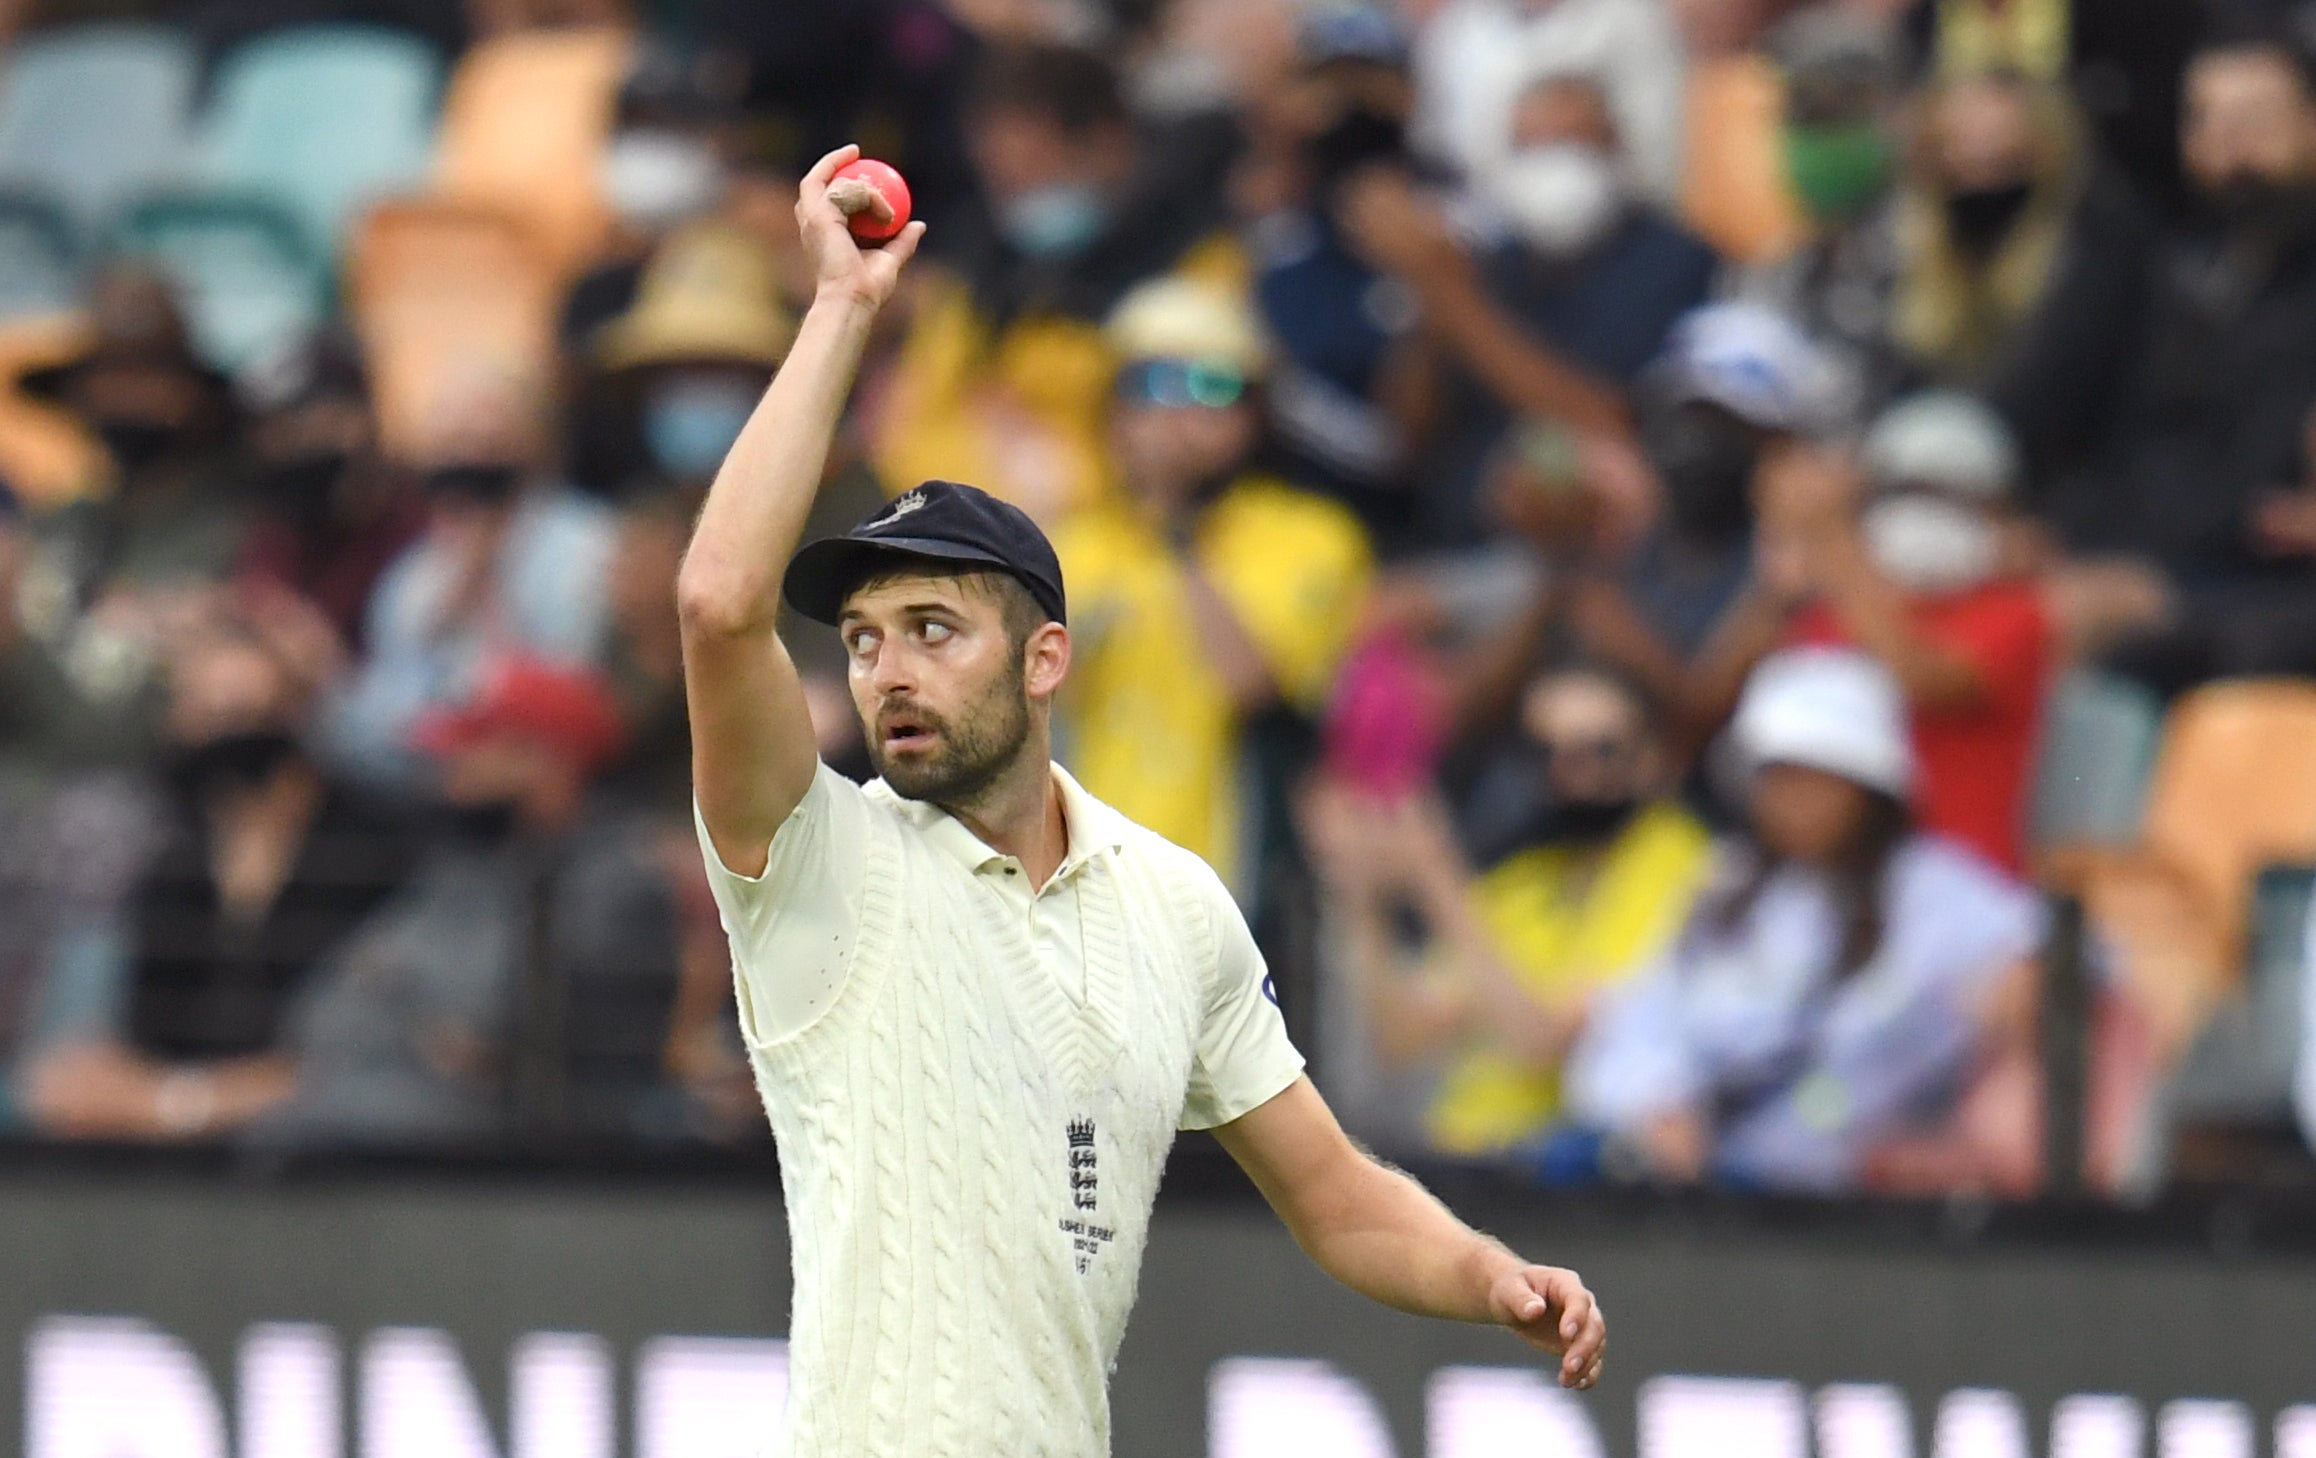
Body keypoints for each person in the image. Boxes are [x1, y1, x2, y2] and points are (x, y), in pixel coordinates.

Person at [674, 146, 1606, 1454]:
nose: (886, 668)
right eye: (866, 638)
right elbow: (720, 606)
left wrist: (1482, 1273)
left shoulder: (1170, 904)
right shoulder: (822, 863)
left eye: (933, 627)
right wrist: (843, 309)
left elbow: (1336, 1195)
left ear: (1044, 657)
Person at [1561, 647, 2044, 1193]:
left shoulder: (1936, 890)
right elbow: (1647, 1013)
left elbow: (2066, 958)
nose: (1789, 800)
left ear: (1868, 785)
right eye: (1776, 777)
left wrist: (2019, 986)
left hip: (1818, 1198)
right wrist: (1660, 1104)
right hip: (1676, 1172)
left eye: (1812, 778)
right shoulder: (1727, 882)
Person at [20, 613, 415, 1141]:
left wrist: (177, 1103)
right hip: (180, 1159)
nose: (226, 746)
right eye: (204, 717)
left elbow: (342, 1068)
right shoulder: (168, 852)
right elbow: (112, 1059)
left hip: (326, 1155)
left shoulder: (372, 853)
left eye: (248, 717)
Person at [1302, 665, 1711, 1158]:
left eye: (1600, 750)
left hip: (1577, 1167)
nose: (1571, 772)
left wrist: (1436, 878)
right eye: (1547, 753)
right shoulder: (1526, 878)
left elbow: (1545, 1042)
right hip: (1469, 1158)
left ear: (1653, 759)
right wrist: (1362, 896)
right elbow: (1403, 1037)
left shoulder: (1682, 863)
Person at [1051, 276, 1372, 890]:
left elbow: (1254, 683)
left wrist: (1176, 531)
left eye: (1212, 385)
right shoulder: (1070, 543)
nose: (1178, 410)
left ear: (1256, 411)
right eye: (1149, 384)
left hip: (1236, 888)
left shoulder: (1311, 535)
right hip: (1084, 881)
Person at [869, 40, 1245, 521]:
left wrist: (1061, 482)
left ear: (1109, 143)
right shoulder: (982, 263)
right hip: (976, 526)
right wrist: (988, 495)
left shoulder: (1200, 261)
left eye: (1036, 170)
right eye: (1001, 179)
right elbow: (909, 422)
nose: (1015, 199)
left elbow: (1185, 437)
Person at [1695, 394, 2053, 874]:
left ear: (1999, 512)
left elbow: (1919, 677)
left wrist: (1829, 535)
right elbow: (1711, 706)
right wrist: (1780, 571)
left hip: (1963, 883)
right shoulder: (1834, 612)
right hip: (1842, 887)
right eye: (1900, 492)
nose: (1919, 514)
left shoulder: (2014, 614)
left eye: (1945, 496)